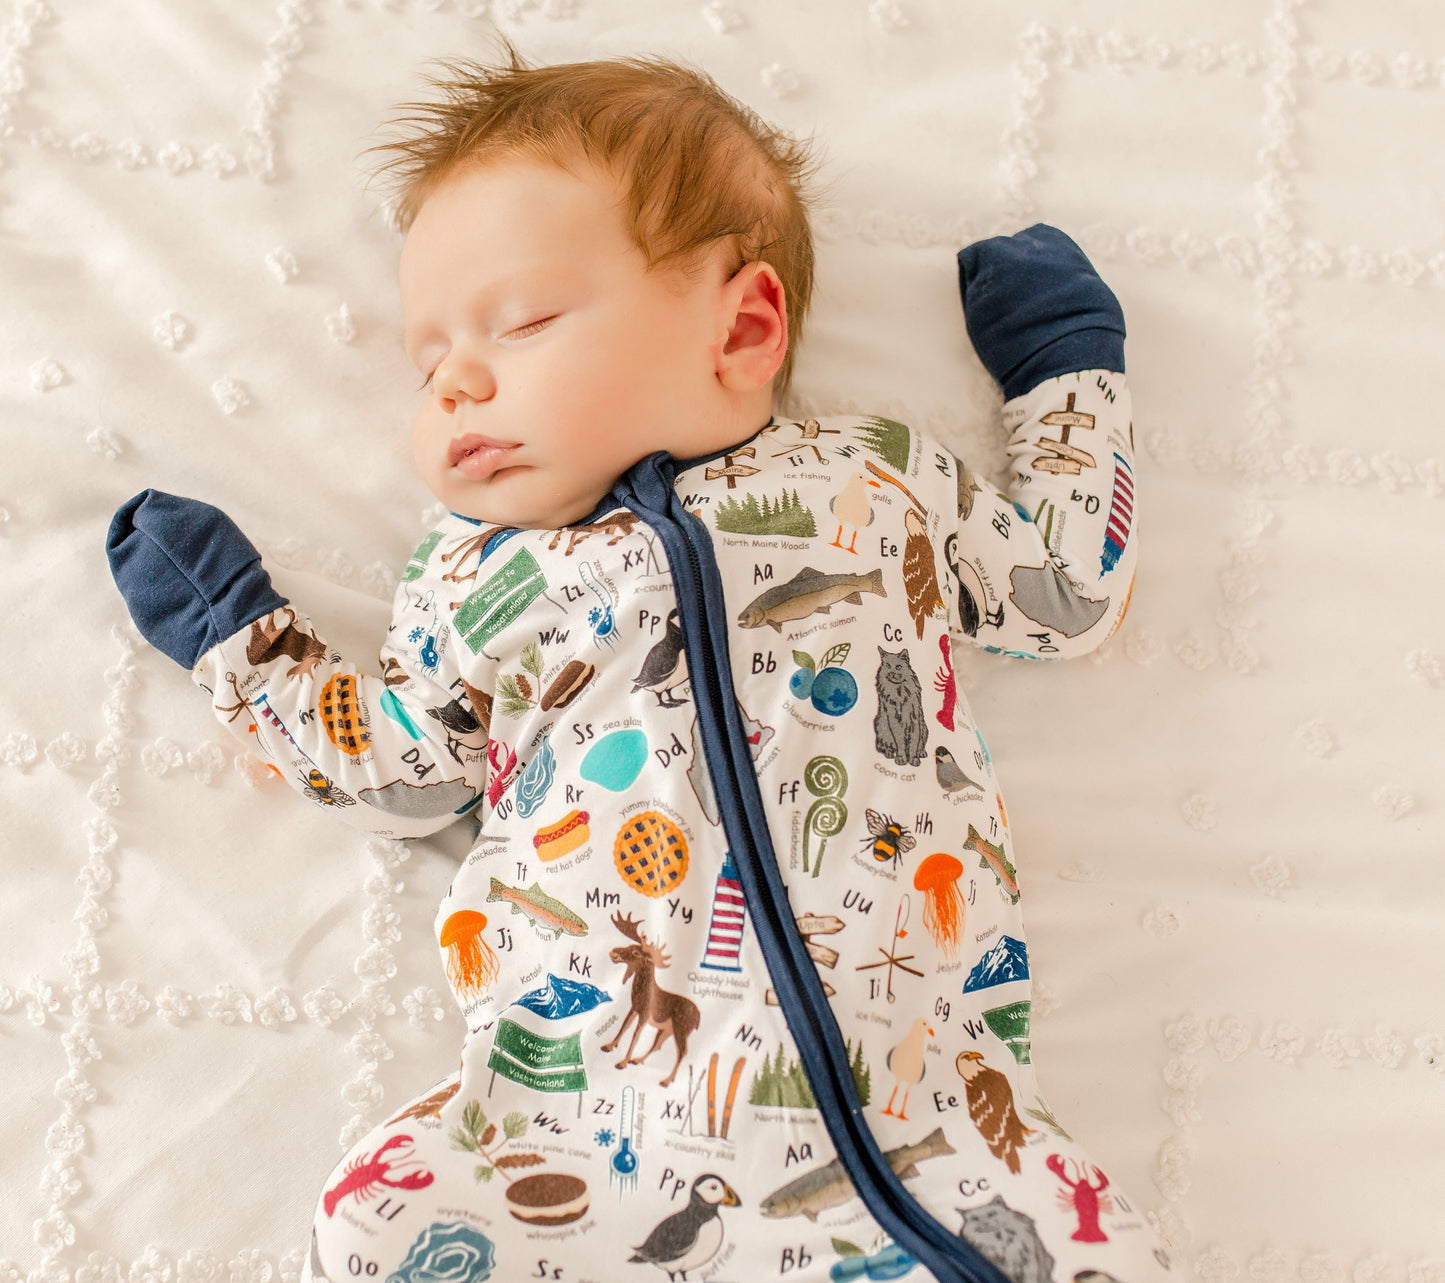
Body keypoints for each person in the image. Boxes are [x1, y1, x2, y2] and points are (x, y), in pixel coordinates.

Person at [106, 41, 1165, 1283]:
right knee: (376, 1219)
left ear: (744, 324)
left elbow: (1061, 587)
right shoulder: (470, 577)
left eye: (523, 321)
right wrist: (244, 639)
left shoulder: (873, 480)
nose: (456, 380)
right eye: (428, 360)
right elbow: (405, 770)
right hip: (578, 1151)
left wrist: (1064, 369)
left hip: (930, 1147)